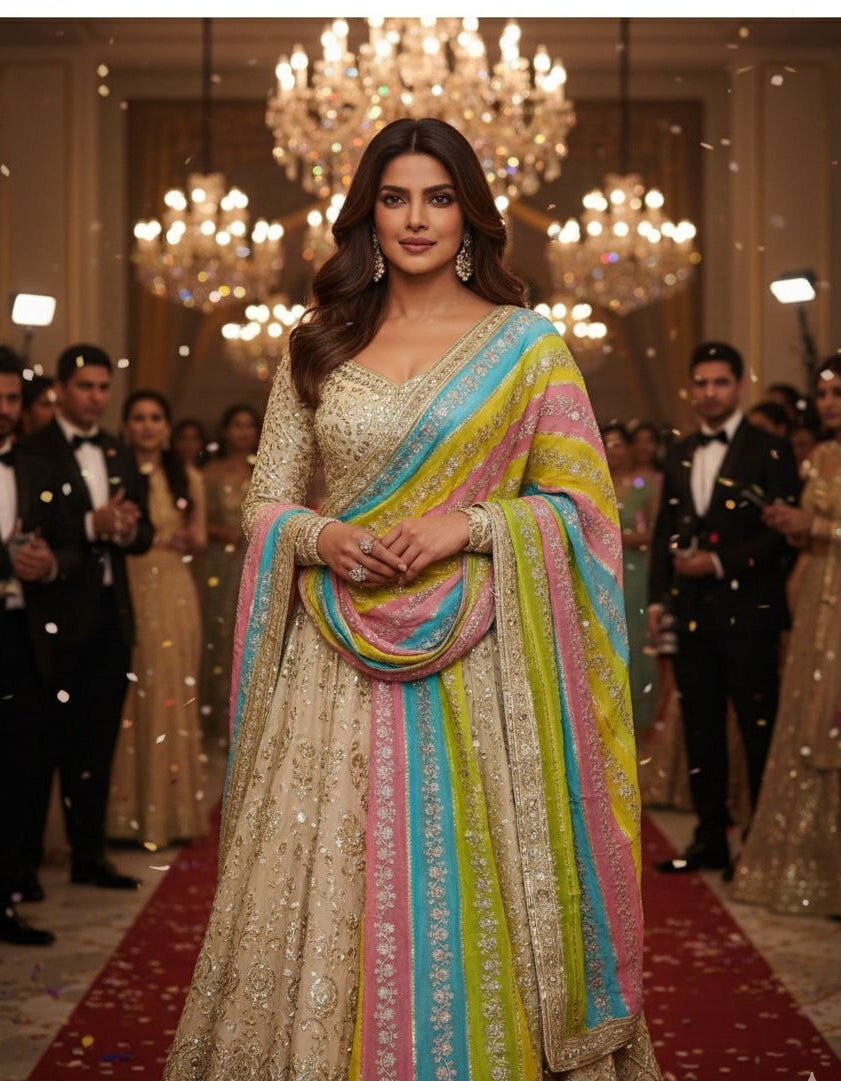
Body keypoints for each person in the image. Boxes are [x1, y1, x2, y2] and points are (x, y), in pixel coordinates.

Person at [163, 117, 658, 1081]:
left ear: (470, 215)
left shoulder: (527, 348)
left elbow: (583, 510)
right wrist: (320, 537)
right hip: (332, 661)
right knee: (325, 879)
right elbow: (266, 499)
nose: (417, 218)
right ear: (368, 214)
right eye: (395, 198)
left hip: (480, 666)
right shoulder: (317, 344)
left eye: (438, 197)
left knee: (469, 879)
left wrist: (468, 524)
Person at [648, 342, 801, 875]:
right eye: (701, 383)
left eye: (720, 383)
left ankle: (759, 844)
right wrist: (657, 598)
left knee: (757, 727)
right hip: (692, 613)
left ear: (740, 386)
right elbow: (666, 528)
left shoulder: (770, 449)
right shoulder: (681, 450)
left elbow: (783, 534)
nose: (709, 393)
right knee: (701, 726)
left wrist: (717, 563)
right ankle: (710, 836)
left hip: (751, 611)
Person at [18, 344, 152, 890]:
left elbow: (144, 532)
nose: (96, 397)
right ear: (60, 389)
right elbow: (31, 526)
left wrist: (128, 528)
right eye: (85, 387)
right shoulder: (32, 452)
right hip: (50, 619)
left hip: (110, 616)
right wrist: (91, 527)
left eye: (102, 387)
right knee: (41, 744)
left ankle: (88, 855)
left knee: (97, 740)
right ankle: (23, 865)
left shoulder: (118, 451)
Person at [732, 355, 841, 917]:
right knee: (804, 715)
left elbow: (824, 524)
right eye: (822, 394)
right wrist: (792, 526)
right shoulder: (820, 455)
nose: (828, 403)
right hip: (816, 592)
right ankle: (806, 866)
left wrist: (816, 525)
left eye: (838, 393)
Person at [106, 391, 208, 850]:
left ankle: (165, 815)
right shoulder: (113, 472)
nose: (147, 426)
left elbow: (199, 538)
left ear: (166, 427)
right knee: (124, 692)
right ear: (126, 426)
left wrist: (181, 538)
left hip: (170, 590)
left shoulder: (185, 476)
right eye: (138, 418)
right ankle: (119, 815)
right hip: (125, 583)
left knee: (167, 690)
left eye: (155, 418)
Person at [0, 349, 76, 944]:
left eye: (10, 399)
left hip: (20, 636)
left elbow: (73, 544)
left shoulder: (34, 465)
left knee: (16, 769)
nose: (4, 410)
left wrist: (48, 564)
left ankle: (6, 896)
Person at [196, 404, 260, 753]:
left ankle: (246, 724)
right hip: (220, 563)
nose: (243, 432)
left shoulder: (265, 470)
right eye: (236, 425)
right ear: (224, 431)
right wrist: (224, 533)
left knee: (250, 632)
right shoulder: (210, 474)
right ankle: (214, 721)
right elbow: (197, 522)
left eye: (249, 426)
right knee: (218, 632)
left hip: (255, 560)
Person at [602, 422, 660, 731]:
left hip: (635, 570)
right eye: (607, 444)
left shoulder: (644, 485)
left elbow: (655, 533)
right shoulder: (594, 483)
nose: (613, 451)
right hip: (603, 570)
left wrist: (619, 538)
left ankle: (641, 716)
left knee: (636, 636)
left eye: (619, 444)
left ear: (628, 449)